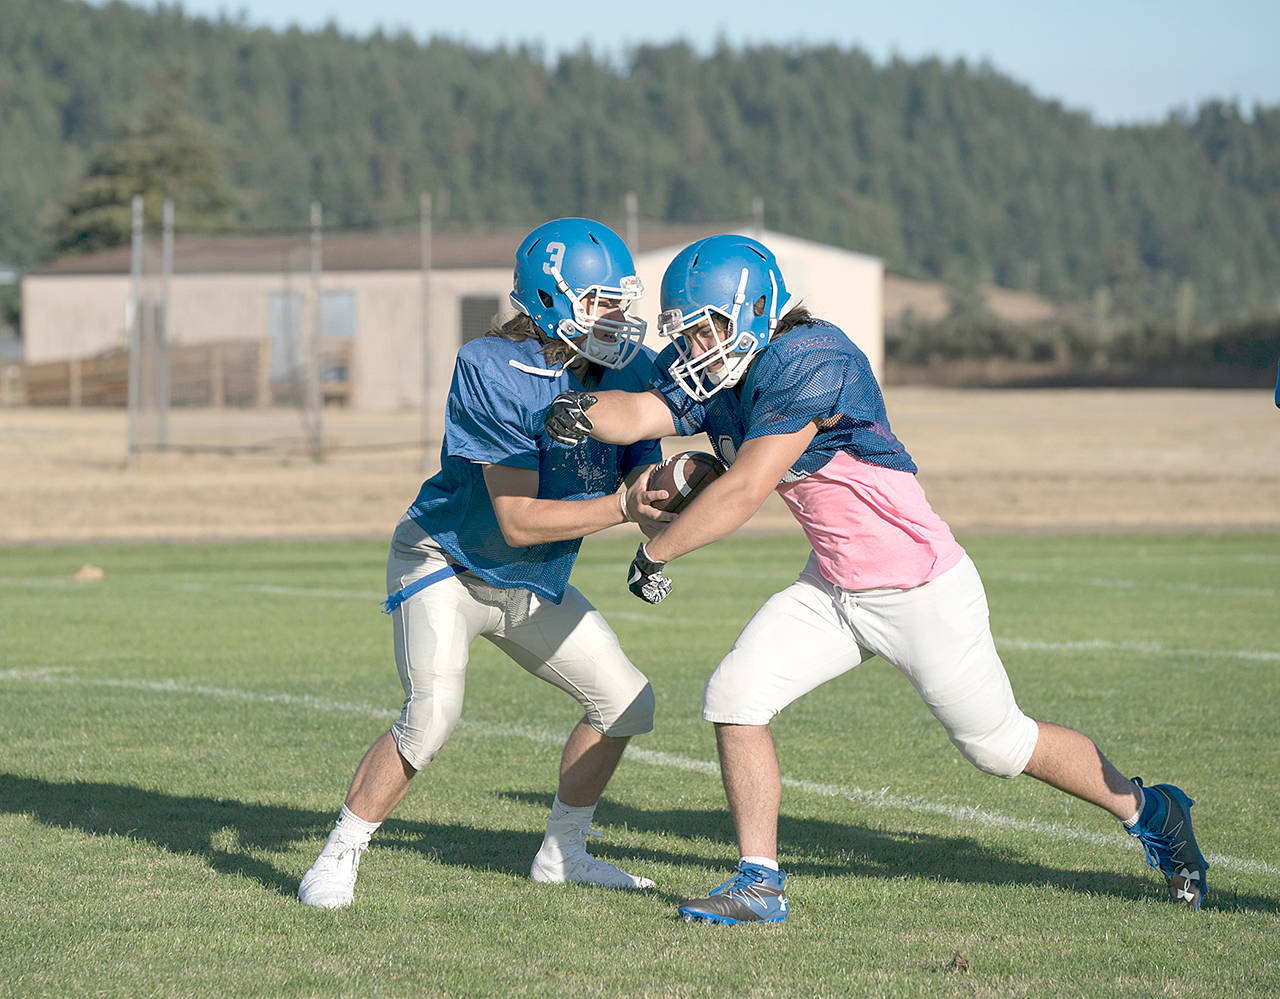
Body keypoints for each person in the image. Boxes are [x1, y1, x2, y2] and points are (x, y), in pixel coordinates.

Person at [543, 233, 1209, 923]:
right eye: (687, 333)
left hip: (918, 587)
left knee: (1001, 746)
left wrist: (657, 552)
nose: (696, 347)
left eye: (707, 327)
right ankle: (758, 883)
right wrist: (580, 413)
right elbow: (644, 411)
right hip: (835, 585)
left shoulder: (812, 359)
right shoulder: (721, 372)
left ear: (756, 307)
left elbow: (744, 488)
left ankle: (1151, 809)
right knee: (734, 695)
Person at [299, 217, 673, 908]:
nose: (616, 318)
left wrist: (677, 497)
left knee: (626, 701)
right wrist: (625, 508)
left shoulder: (632, 370)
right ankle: (340, 850)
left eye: (620, 300)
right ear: (548, 299)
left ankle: (564, 853)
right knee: (433, 712)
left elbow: (647, 480)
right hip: (446, 562)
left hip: (529, 581)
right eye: (599, 302)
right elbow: (518, 518)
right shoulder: (493, 367)